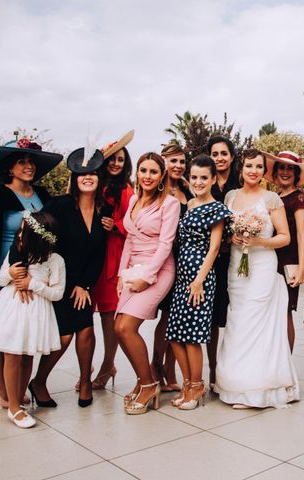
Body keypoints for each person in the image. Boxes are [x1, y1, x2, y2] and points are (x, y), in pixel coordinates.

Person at [0, 138, 60, 409]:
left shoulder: (42, 196)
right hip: (3, 273)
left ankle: (19, 386)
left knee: (25, 334)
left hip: (34, 276)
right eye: (21, 161)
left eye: (31, 161)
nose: (29, 165)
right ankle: (2, 387)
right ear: (9, 168)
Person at [215, 149, 299, 408]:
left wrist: (259, 240)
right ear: (241, 168)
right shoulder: (231, 196)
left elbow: (284, 236)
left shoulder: (272, 198)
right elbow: (225, 231)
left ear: (264, 171)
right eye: (249, 165)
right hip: (237, 268)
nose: (254, 170)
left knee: (256, 322)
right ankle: (235, 385)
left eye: (259, 167)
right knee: (238, 320)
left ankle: (257, 389)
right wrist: (232, 238)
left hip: (262, 266)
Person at [28, 147, 109, 408]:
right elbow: (36, 233)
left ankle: (85, 382)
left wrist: (85, 285)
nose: (88, 177)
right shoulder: (59, 206)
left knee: (86, 329)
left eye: (94, 173)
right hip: (59, 281)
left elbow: (100, 253)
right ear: (74, 178)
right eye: (82, 173)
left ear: (99, 179)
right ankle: (39, 381)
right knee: (64, 337)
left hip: (84, 284)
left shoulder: (103, 209)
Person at [0, 212, 64, 427]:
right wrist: (10, 273)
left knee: (27, 356)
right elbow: (0, 279)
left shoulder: (55, 261)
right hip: (11, 308)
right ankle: (14, 408)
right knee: (12, 354)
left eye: (24, 230)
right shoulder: (16, 253)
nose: (19, 234)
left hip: (35, 313)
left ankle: (16, 395)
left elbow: (58, 293)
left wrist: (31, 284)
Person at [115, 152, 180, 415]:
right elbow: (129, 239)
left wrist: (147, 276)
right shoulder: (133, 199)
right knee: (118, 328)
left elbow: (166, 244)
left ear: (162, 175)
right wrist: (122, 274)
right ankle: (145, 380)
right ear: (137, 173)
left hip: (158, 268)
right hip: (133, 268)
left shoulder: (170, 203)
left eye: (154, 172)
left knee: (128, 327)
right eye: (144, 170)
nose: (148, 176)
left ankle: (149, 384)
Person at [166, 154, 231, 410]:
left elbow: (214, 249)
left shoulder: (217, 209)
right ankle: (189, 383)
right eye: (194, 177)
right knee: (174, 334)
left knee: (192, 336)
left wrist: (199, 280)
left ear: (213, 179)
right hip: (181, 277)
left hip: (200, 278)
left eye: (204, 177)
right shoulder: (190, 204)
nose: (199, 181)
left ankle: (196, 385)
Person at [264, 150, 304, 351]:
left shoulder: (299, 199)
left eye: (290, 168)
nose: (285, 172)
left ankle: (286, 365)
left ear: (296, 173)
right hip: (271, 260)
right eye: (282, 167)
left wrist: (301, 269)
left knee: (285, 312)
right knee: (272, 312)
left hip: (289, 262)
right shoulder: (275, 197)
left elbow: (301, 236)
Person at [91, 130, 135, 390]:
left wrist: (116, 225)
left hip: (114, 255)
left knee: (109, 315)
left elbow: (134, 223)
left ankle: (108, 365)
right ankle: (89, 367)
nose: (116, 163)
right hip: (91, 254)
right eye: (112, 159)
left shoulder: (127, 190)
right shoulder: (93, 184)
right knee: (88, 317)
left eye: (121, 159)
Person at [153, 143, 193, 393]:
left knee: (177, 316)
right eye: (173, 161)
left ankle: (170, 368)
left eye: (181, 161)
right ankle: (157, 365)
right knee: (167, 315)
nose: (178, 166)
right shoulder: (158, 191)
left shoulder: (188, 190)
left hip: (186, 259)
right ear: (163, 162)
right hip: (166, 258)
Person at [207, 135, 240, 387]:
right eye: (215, 154)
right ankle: (212, 369)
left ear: (231, 156)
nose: (219, 158)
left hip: (237, 256)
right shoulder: (204, 182)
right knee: (212, 317)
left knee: (235, 314)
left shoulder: (240, 183)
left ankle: (235, 368)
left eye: (223, 153)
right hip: (211, 259)